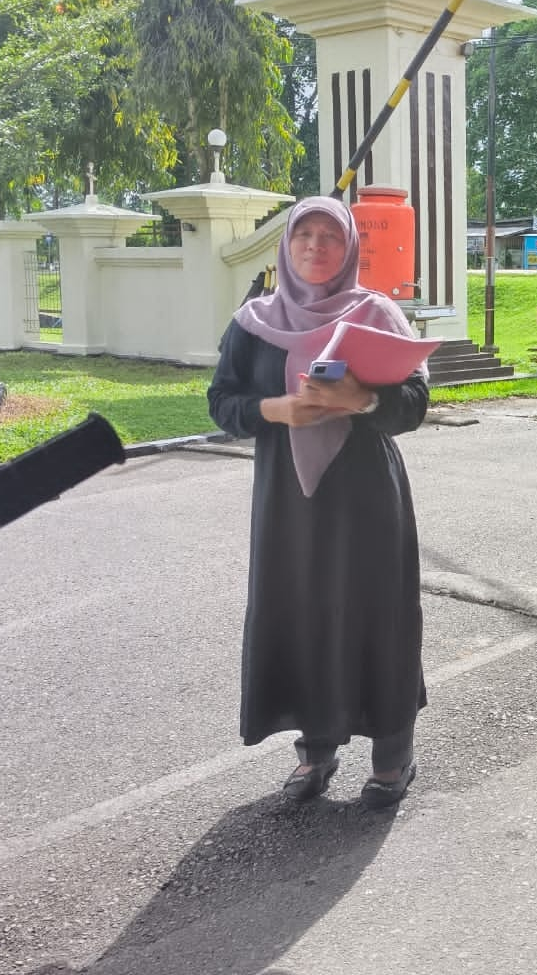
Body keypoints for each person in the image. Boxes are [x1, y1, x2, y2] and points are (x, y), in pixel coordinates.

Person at [207, 197, 430, 808]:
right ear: (285, 246)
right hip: (287, 498)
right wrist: (275, 410)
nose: (314, 246)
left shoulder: (375, 312)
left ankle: (392, 757)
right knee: (299, 610)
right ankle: (315, 751)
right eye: (302, 234)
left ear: (350, 247)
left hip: (364, 495)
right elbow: (222, 400)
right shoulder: (253, 321)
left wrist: (360, 399)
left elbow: (414, 401)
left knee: (374, 612)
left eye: (329, 236)